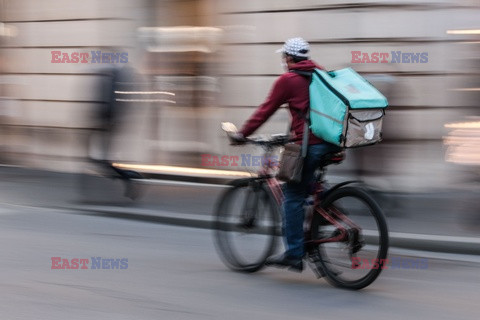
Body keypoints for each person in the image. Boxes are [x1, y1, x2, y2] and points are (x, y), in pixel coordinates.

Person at [230, 37, 341, 271]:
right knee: (308, 182)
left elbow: (265, 110)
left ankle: (294, 253)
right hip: (332, 142)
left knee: (292, 197)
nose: (284, 60)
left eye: (284, 56)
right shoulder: (321, 74)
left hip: (310, 145)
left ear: (289, 58)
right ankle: (331, 206)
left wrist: (242, 134)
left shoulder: (288, 80)